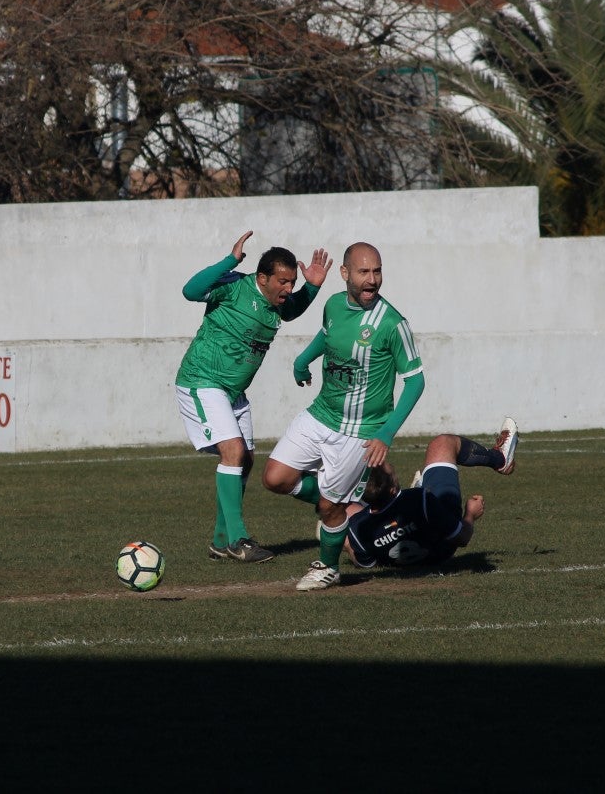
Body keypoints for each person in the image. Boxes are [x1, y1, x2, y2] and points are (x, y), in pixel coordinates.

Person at [261, 242, 425, 568]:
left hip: (359, 429)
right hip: (322, 412)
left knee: (328, 508)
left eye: (377, 271)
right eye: (364, 271)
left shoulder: (392, 323)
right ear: (345, 273)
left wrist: (387, 433)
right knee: (275, 478)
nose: (372, 279)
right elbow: (328, 334)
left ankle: (328, 568)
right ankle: (352, 506)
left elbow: (416, 381)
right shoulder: (334, 305)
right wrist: (302, 361)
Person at [175, 231, 331, 563]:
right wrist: (231, 260)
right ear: (263, 277)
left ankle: (221, 539)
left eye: (292, 281)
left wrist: (312, 287)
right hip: (202, 380)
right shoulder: (234, 286)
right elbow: (190, 291)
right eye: (283, 281)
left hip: (233, 392)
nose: (289, 289)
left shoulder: (279, 303)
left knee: (244, 459)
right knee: (232, 452)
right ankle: (239, 540)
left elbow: (291, 311)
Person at [295, 417, 519, 590]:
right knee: (442, 443)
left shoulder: (357, 528)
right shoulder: (420, 498)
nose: (391, 465)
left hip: (395, 557)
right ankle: (500, 458)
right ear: (393, 487)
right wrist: (471, 514)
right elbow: (462, 538)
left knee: (344, 513)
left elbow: (363, 561)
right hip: (441, 549)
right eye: (389, 468)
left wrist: (346, 542)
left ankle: (333, 530)